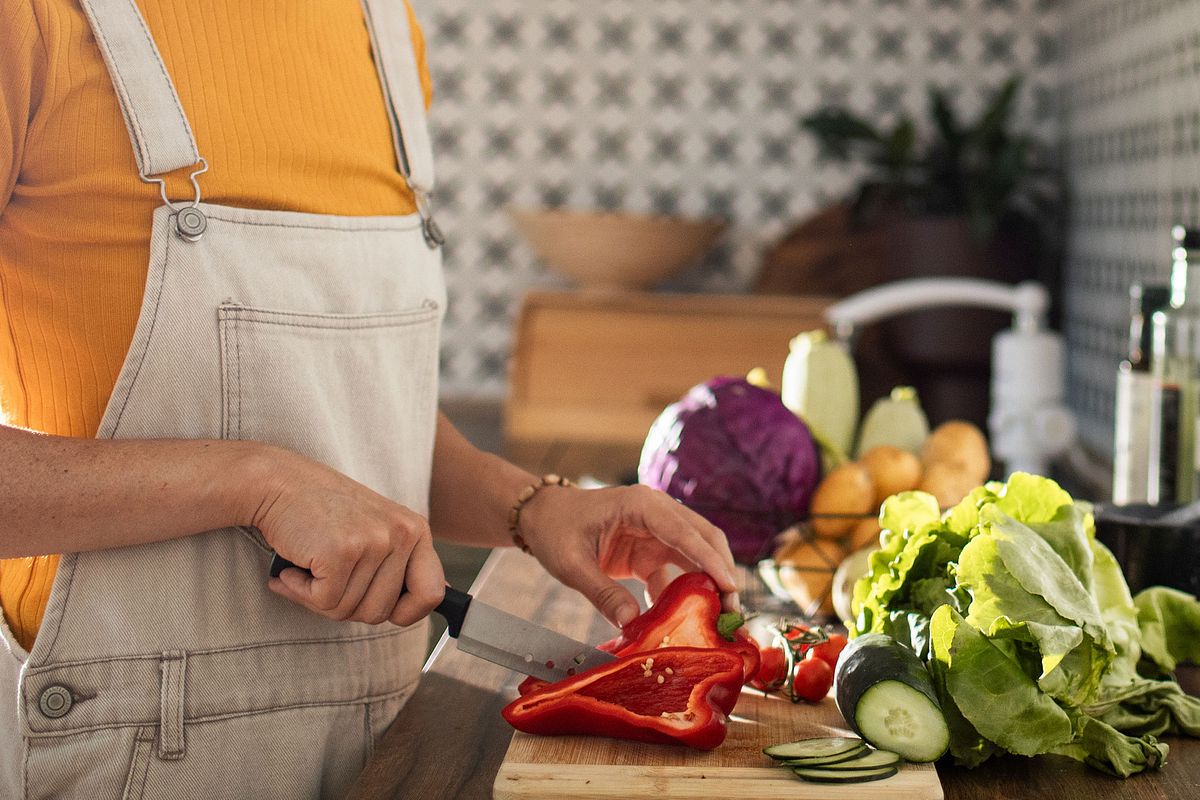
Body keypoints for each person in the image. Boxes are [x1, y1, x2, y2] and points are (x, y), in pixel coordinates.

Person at [0, 1, 739, 797]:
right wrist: (257, 483)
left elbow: (340, 410)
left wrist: (530, 508)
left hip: (390, 741)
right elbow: (281, 459)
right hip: (131, 754)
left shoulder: (381, 28)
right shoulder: (35, 20)